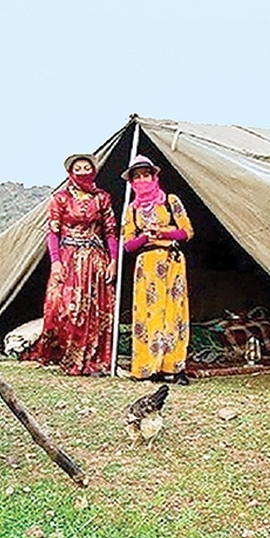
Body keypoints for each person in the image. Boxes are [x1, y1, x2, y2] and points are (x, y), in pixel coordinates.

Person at [22, 153, 118, 375]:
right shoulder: (60, 198)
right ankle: (66, 355)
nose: (83, 172)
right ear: (70, 173)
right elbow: (52, 233)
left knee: (95, 309)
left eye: (87, 168)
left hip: (96, 259)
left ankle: (93, 358)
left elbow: (111, 232)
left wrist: (113, 261)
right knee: (63, 307)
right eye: (78, 168)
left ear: (93, 171)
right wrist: (55, 262)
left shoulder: (102, 198)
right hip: (68, 258)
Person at [121, 155, 194, 385]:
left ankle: (173, 366)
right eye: (137, 176)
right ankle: (147, 368)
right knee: (147, 314)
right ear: (132, 182)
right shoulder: (131, 210)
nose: (142, 180)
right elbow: (127, 244)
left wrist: (163, 232)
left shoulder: (170, 201)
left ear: (155, 176)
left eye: (146, 175)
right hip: (147, 264)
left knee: (174, 312)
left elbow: (187, 231)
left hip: (171, 260)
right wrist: (145, 236)